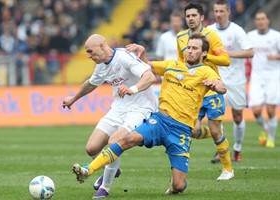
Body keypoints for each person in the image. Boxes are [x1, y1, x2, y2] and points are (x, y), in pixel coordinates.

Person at [71, 32, 227, 195]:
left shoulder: (206, 71)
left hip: (181, 130)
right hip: (160, 121)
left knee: (179, 185)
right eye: (188, 47)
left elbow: (222, 86)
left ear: (203, 53)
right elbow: (148, 67)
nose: (189, 50)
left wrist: (217, 86)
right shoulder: (172, 64)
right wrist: (143, 53)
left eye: (195, 48)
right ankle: (88, 170)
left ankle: (176, 184)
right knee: (125, 140)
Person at [62, 34, 157, 198]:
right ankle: (112, 166)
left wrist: (131, 89)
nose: (89, 56)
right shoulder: (101, 66)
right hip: (119, 108)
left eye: (91, 52)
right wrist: (74, 98)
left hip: (140, 108)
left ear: (102, 45)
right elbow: (91, 84)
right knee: (91, 148)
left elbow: (150, 77)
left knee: (114, 142)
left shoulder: (124, 57)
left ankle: (104, 188)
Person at [177, 2, 233, 180]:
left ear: (201, 17)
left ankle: (228, 169)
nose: (190, 19)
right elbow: (181, 63)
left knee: (216, 130)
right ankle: (214, 133)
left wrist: (205, 55)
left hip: (212, 89)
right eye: (188, 16)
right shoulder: (180, 37)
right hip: (193, 90)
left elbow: (225, 60)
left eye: (194, 15)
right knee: (193, 131)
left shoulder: (211, 35)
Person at [207, 0, 254, 162]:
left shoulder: (237, 30)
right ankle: (221, 150)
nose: (218, 14)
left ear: (228, 12)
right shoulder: (209, 31)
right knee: (216, 117)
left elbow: (250, 52)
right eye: (216, 11)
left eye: (221, 11)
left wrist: (227, 55)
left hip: (236, 80)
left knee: (238, 117)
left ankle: (237, 149)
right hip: (216, 79)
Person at [247, 11, 280, 148]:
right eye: (258, 19)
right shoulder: (250, 36)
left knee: (271, 110)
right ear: (255, 22)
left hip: (273, 76)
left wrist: (276, 57)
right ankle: (265, 128)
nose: (260, 21)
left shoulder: (276, 36)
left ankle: (271, 137)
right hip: (257, 76)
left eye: (263, 19)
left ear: (268, 21)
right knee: (255, 110)